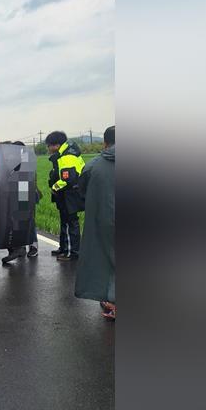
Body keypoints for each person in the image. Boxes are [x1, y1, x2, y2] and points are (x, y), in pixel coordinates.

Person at [75, 126, 115, 320]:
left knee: (107, 260)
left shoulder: (94, 165)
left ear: (105, 143)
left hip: (105, 219)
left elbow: (81, 189)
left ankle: (112, 302)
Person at [45, 131, 84, 260]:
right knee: (65, 221)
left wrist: (54, 187)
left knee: (70, 222)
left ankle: (72, 252)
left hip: (70, 194)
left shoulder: (67, 156)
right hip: (67, 194)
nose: (48, 148)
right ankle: (64, 248)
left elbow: (68, 179)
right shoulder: (64, 153)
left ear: (56, 145)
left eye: (49, 145)